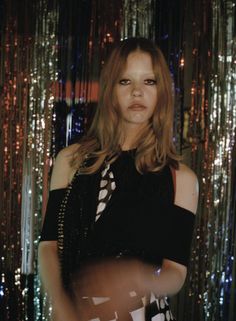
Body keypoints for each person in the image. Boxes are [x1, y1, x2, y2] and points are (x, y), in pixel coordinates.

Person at [38, 37, 199, 321]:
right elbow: (49, 247)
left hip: (143, 313)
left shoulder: (181, 178)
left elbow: (176, 272)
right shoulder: (70, 161)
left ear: (162, 92)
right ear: (110, 89)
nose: (137, 92)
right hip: (74, 312)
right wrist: (62, 307)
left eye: (149, 81)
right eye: (125, 81)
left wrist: (139, 278)